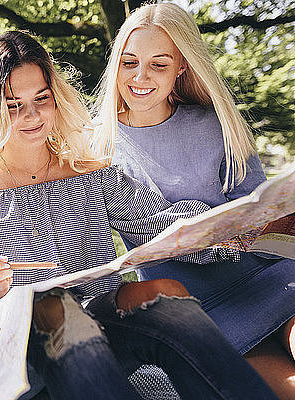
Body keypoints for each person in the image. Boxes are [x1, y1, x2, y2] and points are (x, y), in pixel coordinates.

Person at [0, 31, 278, 400]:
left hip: (100, 321)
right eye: (13, 104)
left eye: (42, 98)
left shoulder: (90, 173)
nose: (33, 116)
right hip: (15, 345)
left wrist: (230, 228)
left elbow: (161, 225)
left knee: (166, 294)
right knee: (60, 310)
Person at [93, 3, 295, 398]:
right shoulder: (96, 149)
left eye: (159, 65)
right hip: (198, 309)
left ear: (182, 67)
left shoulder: (216, 123)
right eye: (129, 62)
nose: (140, 77)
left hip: (269, 279)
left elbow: (256, 205)